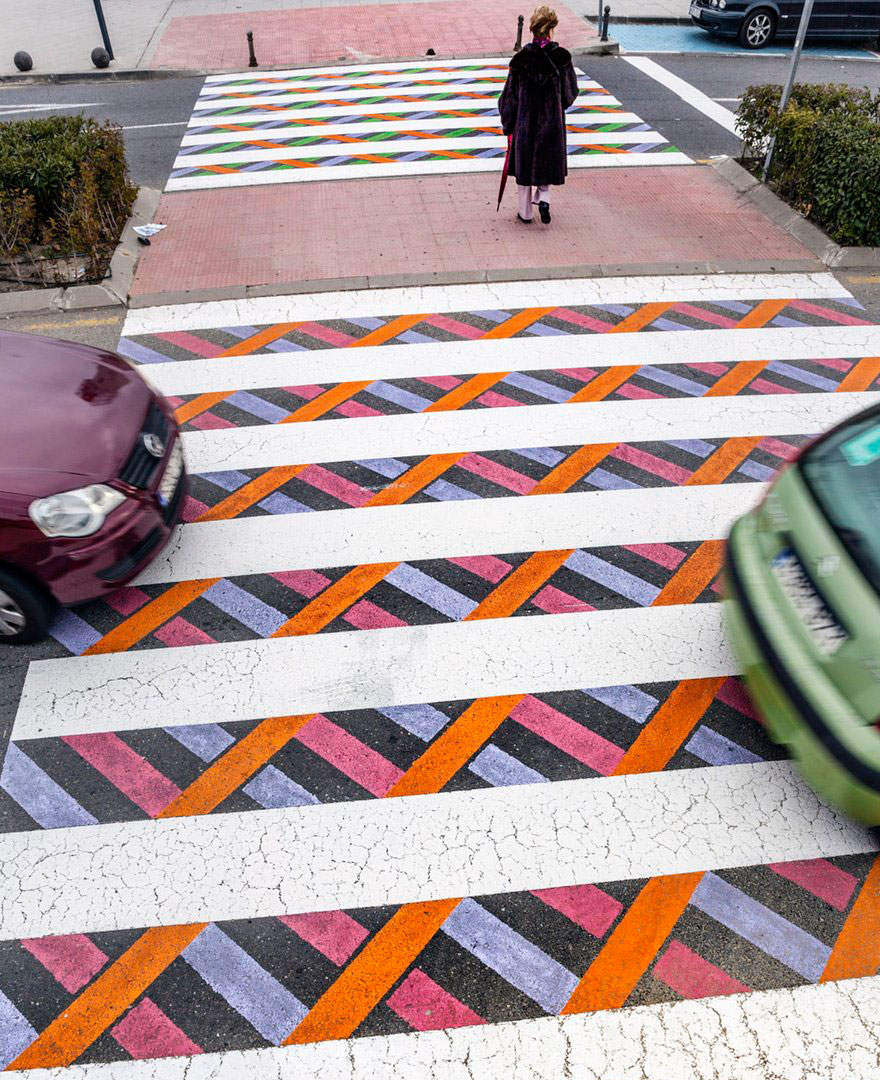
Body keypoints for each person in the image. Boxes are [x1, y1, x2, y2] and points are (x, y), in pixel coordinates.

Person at [498, 6, 579, 225]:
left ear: (532, 30)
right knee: (546, 163)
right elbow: (570, 93)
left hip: (525, 125)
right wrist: (556, 106)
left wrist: (508, 124)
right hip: (551, 125)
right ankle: (544, 198)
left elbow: (509, 98)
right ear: (551, 30)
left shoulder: (520, 60)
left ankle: (525, 213)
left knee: (524, 170)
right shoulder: (562, 58)